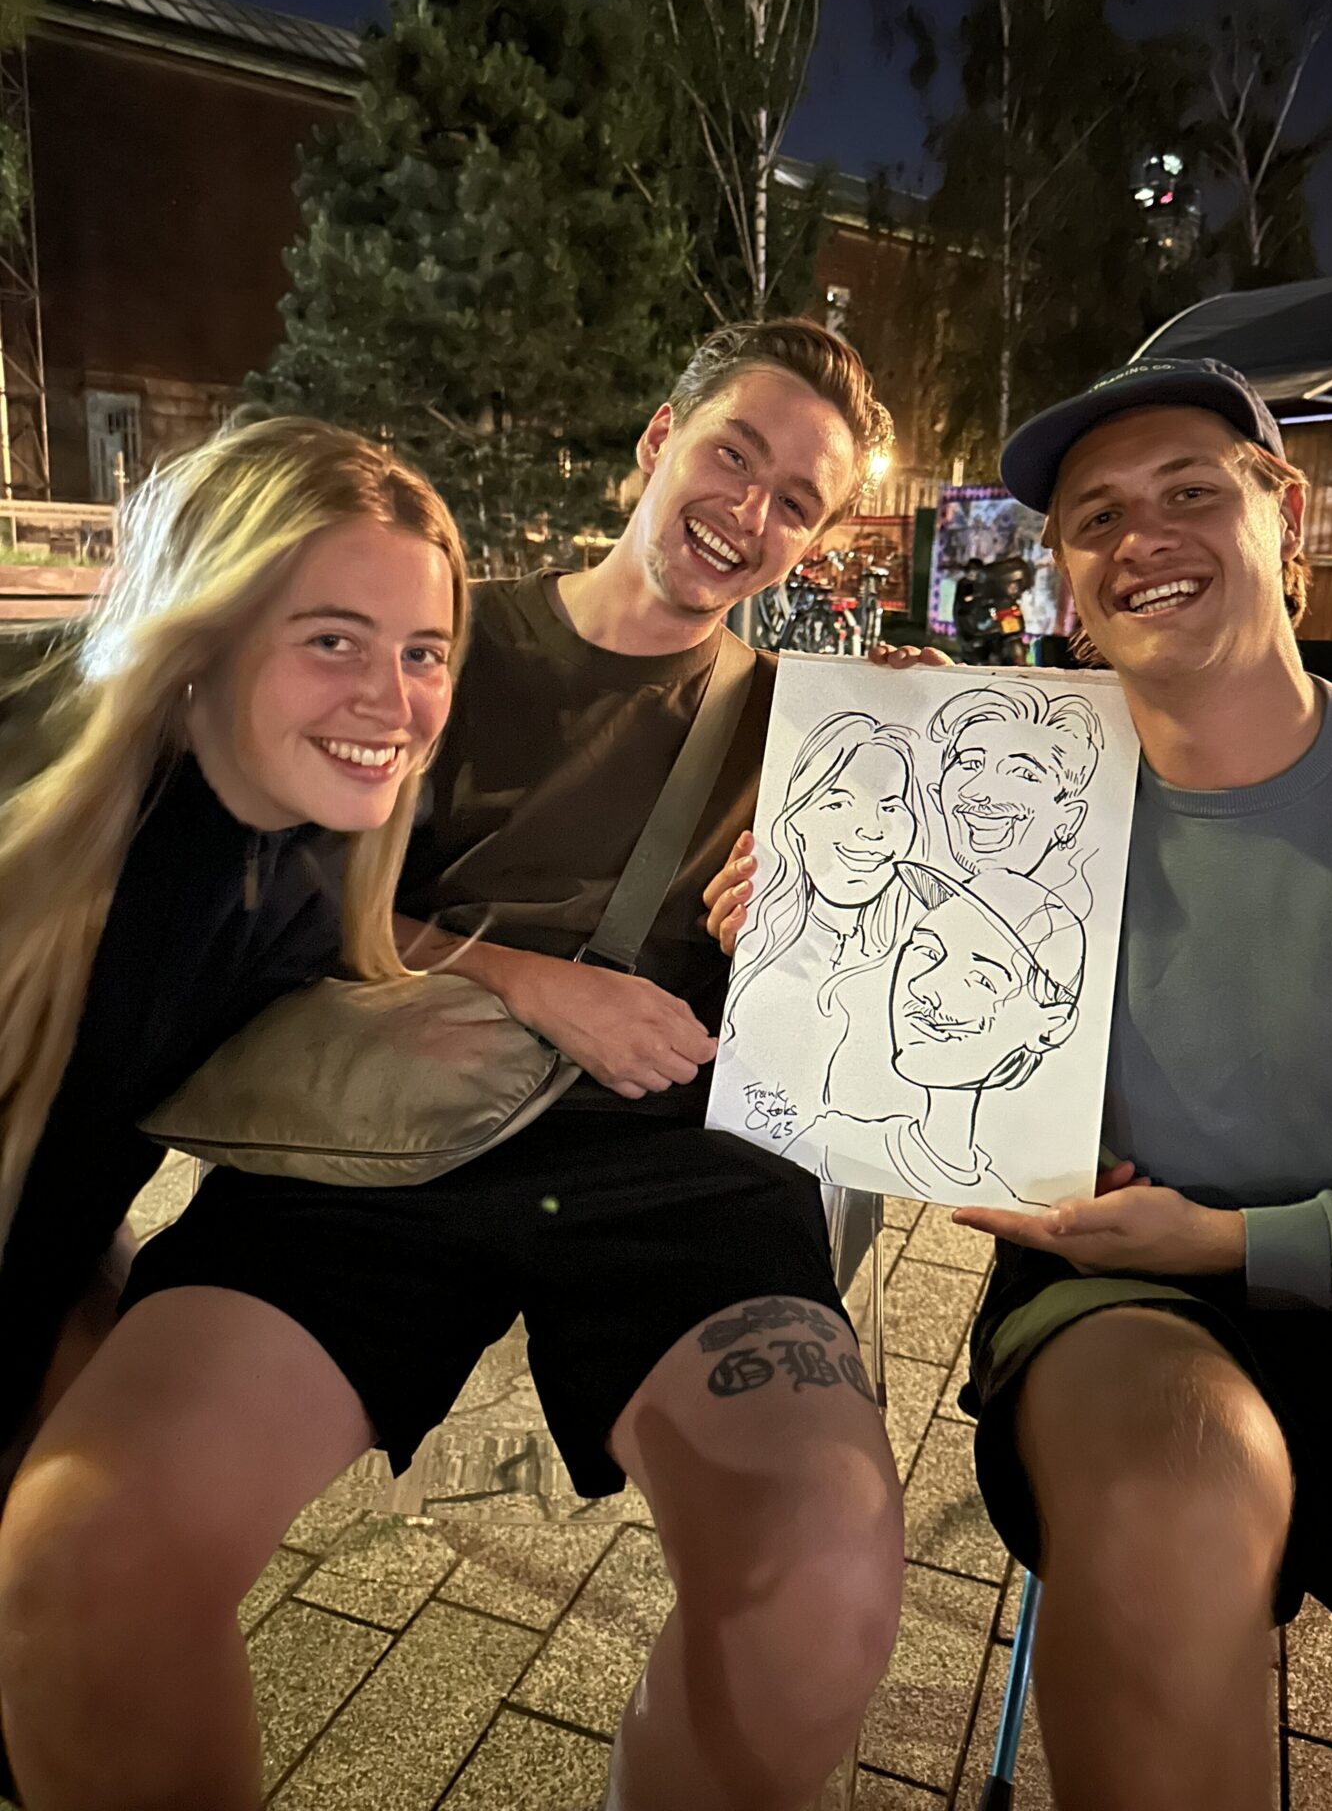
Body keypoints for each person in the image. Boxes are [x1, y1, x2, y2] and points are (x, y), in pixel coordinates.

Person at [0, 319, 908, 1811]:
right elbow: (308, 905)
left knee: (823, 1581)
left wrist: (866, 843)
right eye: (732, 454)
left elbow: (889, 983)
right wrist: (528, 979)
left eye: (798, 501)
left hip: (672, 1160)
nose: (751, 509)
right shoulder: (428, 641)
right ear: (658, 443)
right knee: (88, 1544)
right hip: (385, 1126)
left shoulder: (819, 723)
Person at [946, 357, 1332, 1811]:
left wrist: (1237, 1239)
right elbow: (894, 1050)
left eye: (1188, 492)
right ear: (1068, 581)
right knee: (1172, 1500)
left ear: (1284, 515)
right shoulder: (1001, 799)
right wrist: (795, 929)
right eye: (1096, 518)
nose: (1141, 538)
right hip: (1116, 1292)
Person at [0, 414, 467, 1803]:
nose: (392, 699)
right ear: (200, 631)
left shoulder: (303, 846)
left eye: (424, 651)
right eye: (331, 638)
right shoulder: (34, 797)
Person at [786, 866, 1082, 1205]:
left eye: (982, 980)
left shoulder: (1021, 1206)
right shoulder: (829, 1148)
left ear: (1052, 1024)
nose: (922, 986)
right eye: (927, 952)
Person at [721, 708, 927, 1138]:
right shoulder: (773, 955)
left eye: (891, 805)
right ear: (794, 822)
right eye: (837, 802)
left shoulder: (920, 961)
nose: (872, 829)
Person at [927, 681, 1101, 888]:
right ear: (937, 795)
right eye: (970, 763)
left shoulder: (1057, 909)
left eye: (1023, 774)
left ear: (1069, 820)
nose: (977, 792)